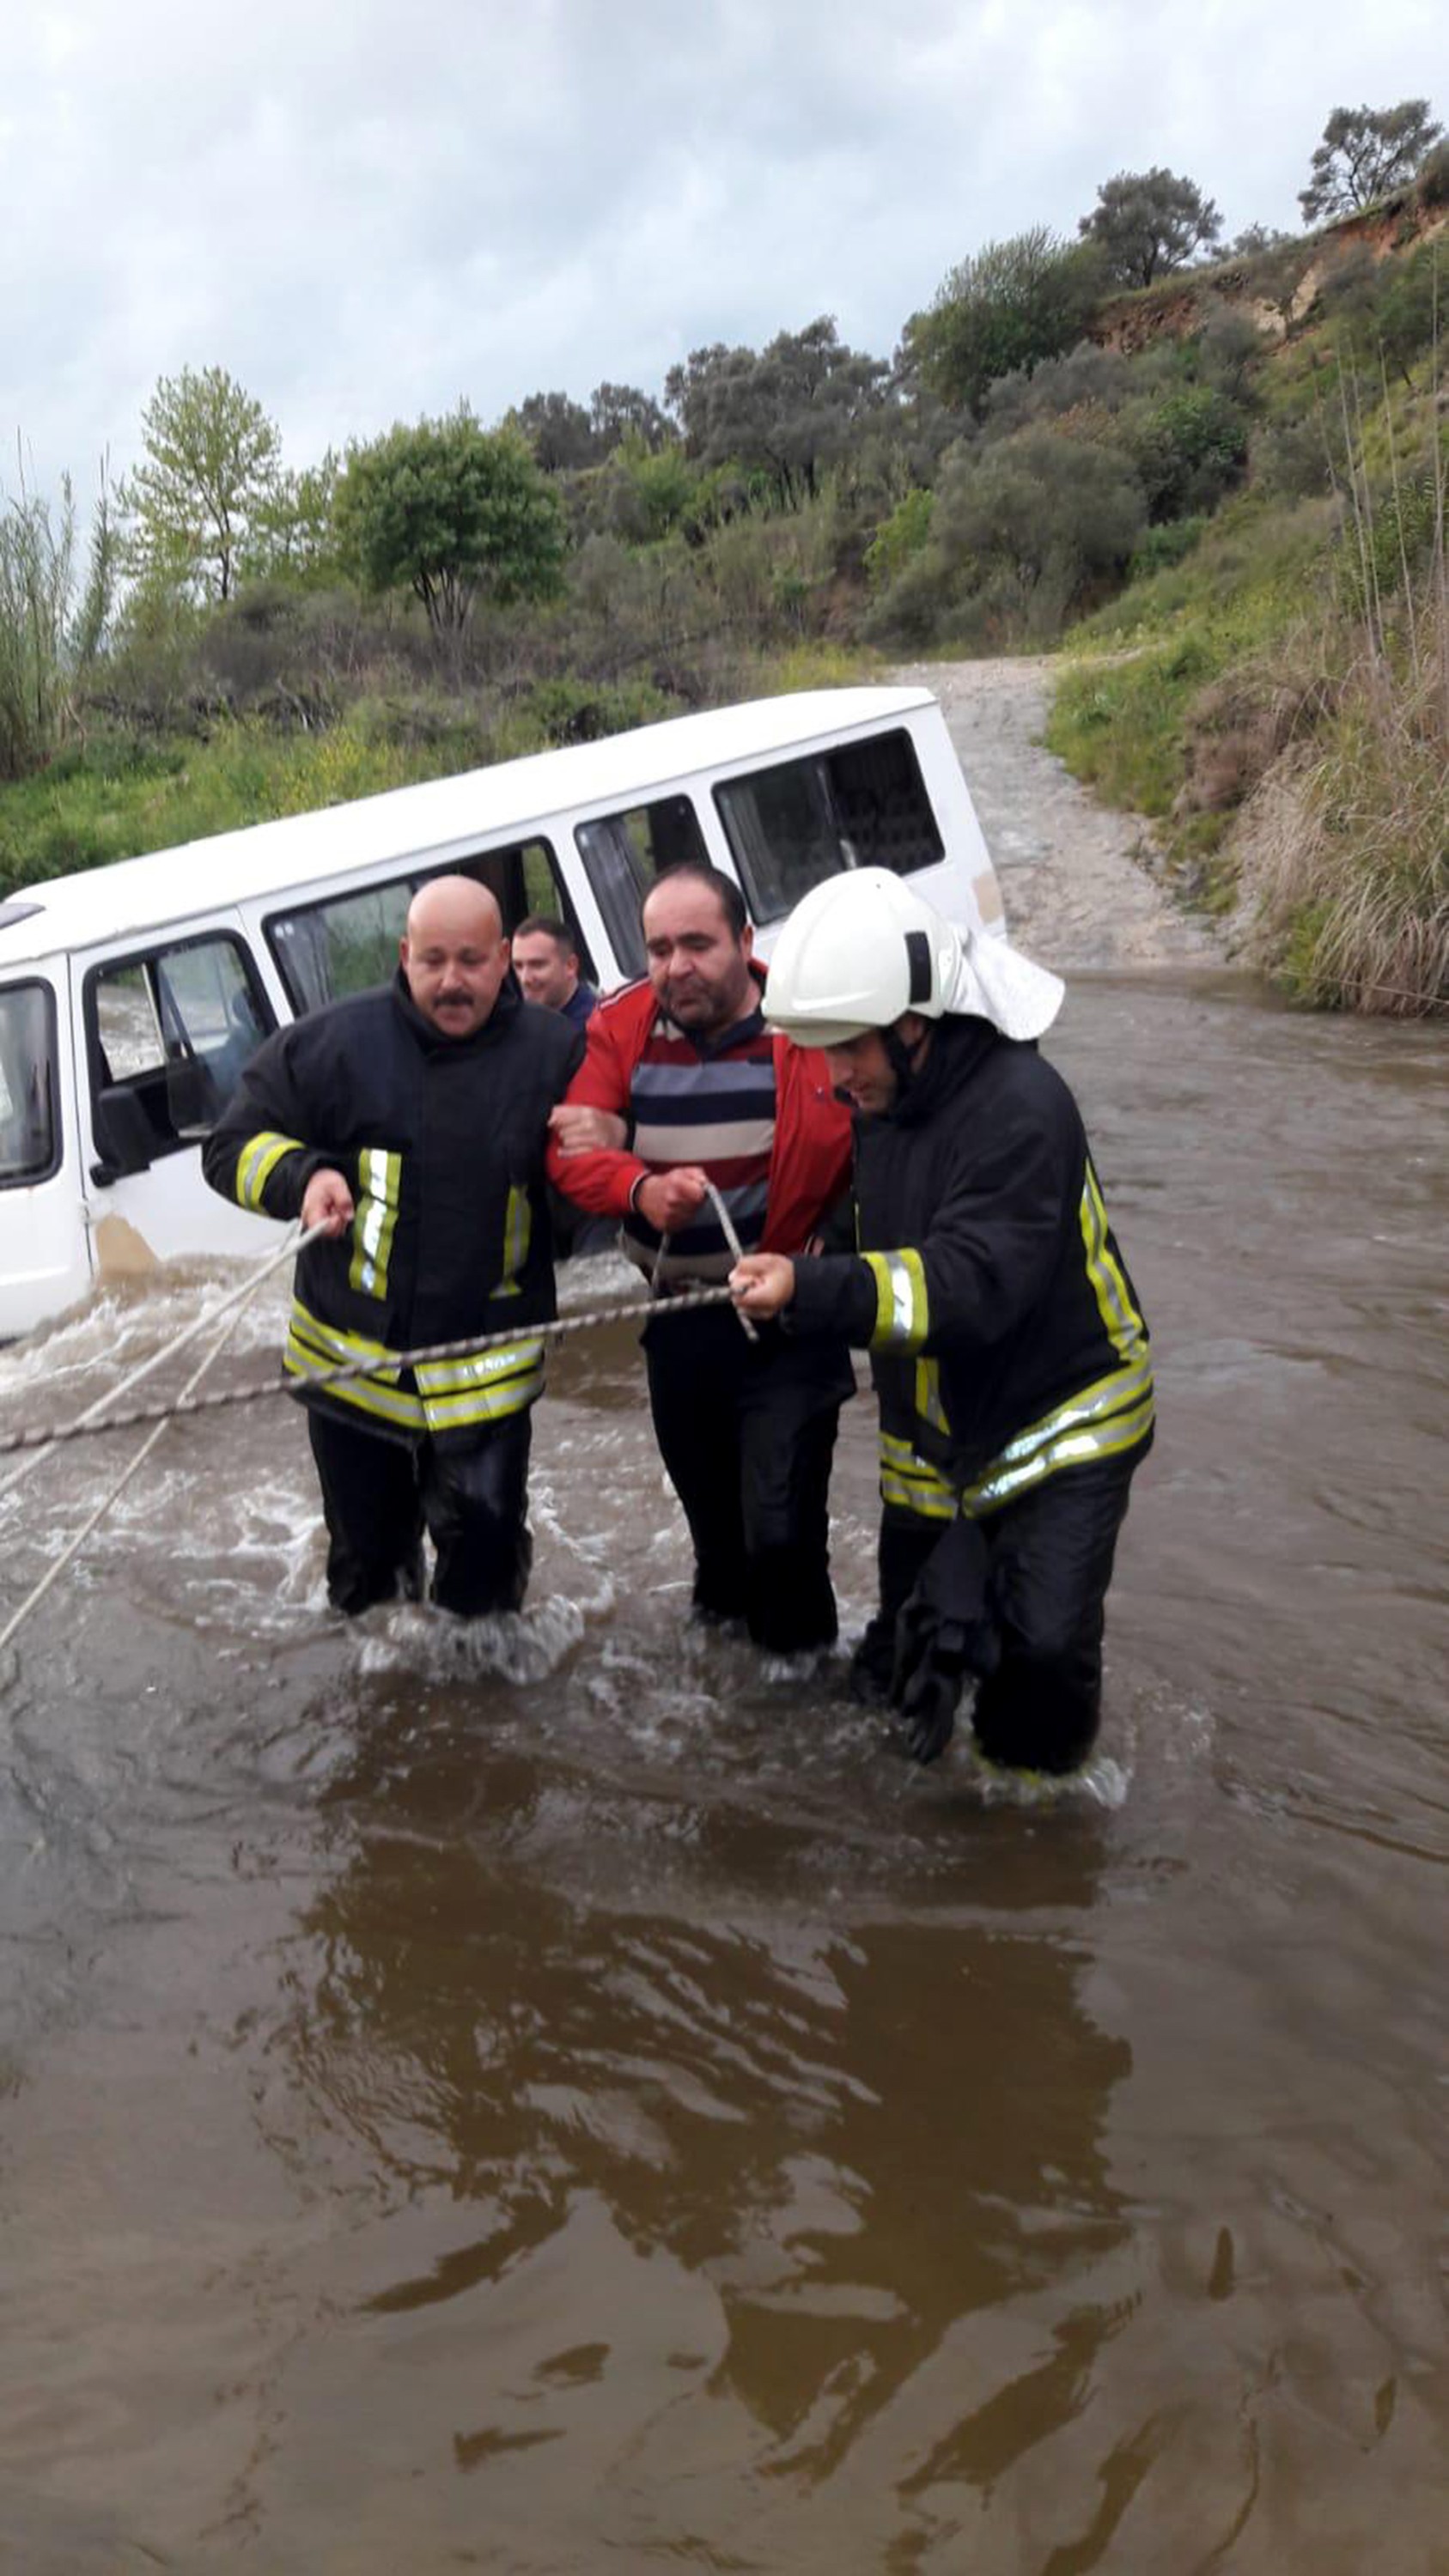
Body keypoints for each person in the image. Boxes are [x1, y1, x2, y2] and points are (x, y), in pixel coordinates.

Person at [728, 868, 1154, 1776]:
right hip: (932, 1426)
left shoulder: (1022, 1109)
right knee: (908, 1661)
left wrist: (809, 1291)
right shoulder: (891, 1096)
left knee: (1037, 1661)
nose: (834, 1077)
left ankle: (1037, 1840)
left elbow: (966, 1286)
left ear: (914, 1025)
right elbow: (888, 1239)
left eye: (848, 1050)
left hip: (1064, 1417)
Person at [204, 876, 583, 1619]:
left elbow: (591, 1189)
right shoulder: (332, 1044)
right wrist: (302, 1177)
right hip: (351, 1380)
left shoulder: (557, 1053)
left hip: (487, 1380)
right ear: (404, 955)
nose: (451, 981)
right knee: (368, 1587)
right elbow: (229, 1146)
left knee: (486, 1579)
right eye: (432, 960)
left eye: (471, 961)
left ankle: (475, 1715)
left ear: (505, 959)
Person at [546, 861, 854, 1654]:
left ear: (744, 941)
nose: (674, 967)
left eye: (695, 944)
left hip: (787, 1317)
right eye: (657, 948)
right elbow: (571, 1149)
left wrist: (844, 1238)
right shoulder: (621, 1029)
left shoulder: (811, 1024)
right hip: (678, 1323)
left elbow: (884, 1144)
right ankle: (723, 1715)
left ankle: (804, 1698)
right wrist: (639, 1188)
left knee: (782, 1538)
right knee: (718, 1548)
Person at [511, 914, 598, 1026]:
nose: (524, 978)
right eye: (518, 966)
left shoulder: (593, 1031)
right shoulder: (524, 1019)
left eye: (537, 965)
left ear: (570, 966)